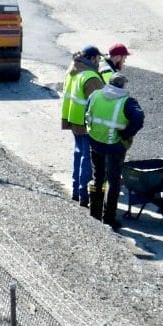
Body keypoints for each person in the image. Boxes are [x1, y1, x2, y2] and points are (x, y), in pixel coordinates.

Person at [85, 74, 145, 229]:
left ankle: (94, 214)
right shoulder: (127, 102)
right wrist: (126, 134)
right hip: (114, 145)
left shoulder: (96, 94)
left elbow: (87, 113)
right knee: (113, 181)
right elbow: (139, 118)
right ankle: (109, 217)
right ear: (123, 86)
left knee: (98, 177)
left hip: (95, 140)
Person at [61, 45, 104, 206]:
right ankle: (84, 194)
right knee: (88, 158)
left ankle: (75, 190)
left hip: (73, 119)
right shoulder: (90, 76)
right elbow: (98, 101)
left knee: (78, 155)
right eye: (98, 59)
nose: (99, 62)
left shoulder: (72, 69)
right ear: (92, 58)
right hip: (86, 123)